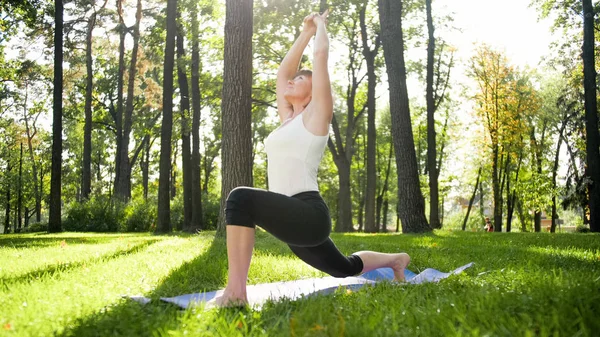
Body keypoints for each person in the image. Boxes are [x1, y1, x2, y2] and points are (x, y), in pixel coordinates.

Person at [212, 10, 410, 307]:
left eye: (300, 79)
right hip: (293, 219)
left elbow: (320, 59)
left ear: (312, 91)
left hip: (309, 214)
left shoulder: (317, 117)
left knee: (240, 199)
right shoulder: (287, 120)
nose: (291, 81)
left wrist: (319, 26)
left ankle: (236, 293)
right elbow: (282, 73)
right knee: (343, 268)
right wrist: (303, 32)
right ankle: (396, 260)